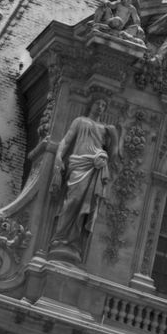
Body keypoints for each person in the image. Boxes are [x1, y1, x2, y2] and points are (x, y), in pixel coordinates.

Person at [48, 99, 120, 263]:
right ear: (91, 104)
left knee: (85, 206)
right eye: (98, 103)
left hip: (94, 167)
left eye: (103, 105)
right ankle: (59, 238)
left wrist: (114, 137)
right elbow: (66, 140)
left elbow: (113, 156)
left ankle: (72, 242)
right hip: (78, 164)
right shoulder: (80, 121)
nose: (100, 106)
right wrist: (58, 157)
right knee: (72, 200)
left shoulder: (105, 129)